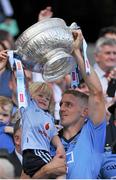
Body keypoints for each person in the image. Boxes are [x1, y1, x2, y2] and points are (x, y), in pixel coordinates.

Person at [32, 29, 106, 179]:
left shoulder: (93, 134)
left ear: (85, 112)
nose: (62, 109)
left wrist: (76, 52)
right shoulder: (47, 139)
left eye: (69, 105)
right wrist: (45, 171)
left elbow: (97, 93)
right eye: (61, 104)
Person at [21, 82, 65, 178]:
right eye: (40, 95)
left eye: (47, 99)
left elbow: (53, 135)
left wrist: (59, 146)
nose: (44, 99)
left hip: (42, 153)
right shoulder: (30, 108)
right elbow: (23, 86)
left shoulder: (49, 117)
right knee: (61, 168)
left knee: (59, 171)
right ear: (31, 96)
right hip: (34, 152)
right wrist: (20, 71)